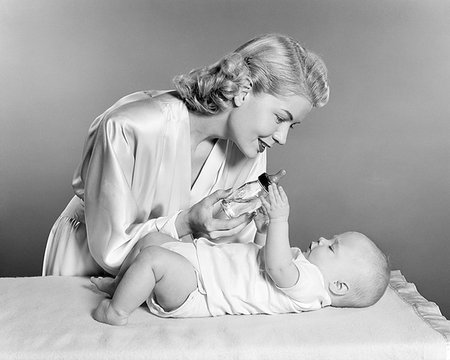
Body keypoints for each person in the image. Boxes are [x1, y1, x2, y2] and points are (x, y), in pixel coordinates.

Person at [42, 33, 330, 276]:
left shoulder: (249, 149)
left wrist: (263, 231)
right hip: (87, 261)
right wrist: (185, 223)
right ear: (244, 90)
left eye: (292, 125)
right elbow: (110, 249)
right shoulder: (131, 127)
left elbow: (234, 254)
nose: (282, 137)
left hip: (163, 281)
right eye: (280, 118)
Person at [91, 184, 390, 325]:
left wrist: (279, 220)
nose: (324, 238)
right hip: (201, 266)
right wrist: (262, 231)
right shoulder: (301, 267)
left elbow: (276, 268)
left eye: (332, 246)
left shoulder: (312, 286)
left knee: (153, 259)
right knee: (154, 240)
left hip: (199, 290)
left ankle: (116, 312)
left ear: (338, 286)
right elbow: (262, 259)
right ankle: (121, 285)